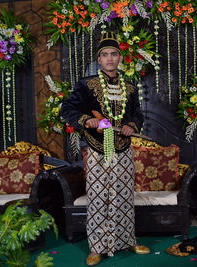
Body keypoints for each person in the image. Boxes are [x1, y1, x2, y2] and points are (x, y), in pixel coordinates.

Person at [60, 32, 148, 266]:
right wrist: (87, 120)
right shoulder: (86, 85)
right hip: (99, 150)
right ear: (99, 60)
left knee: (123, 196)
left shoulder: (129, 87)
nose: (109, 59)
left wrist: (131, 125)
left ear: (120, 58)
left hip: (124, 150)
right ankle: (97, 247)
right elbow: (66, 109)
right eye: (105, 55)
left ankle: (128, 240)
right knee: (98, 198)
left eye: (114, 54)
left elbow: (137, 114)